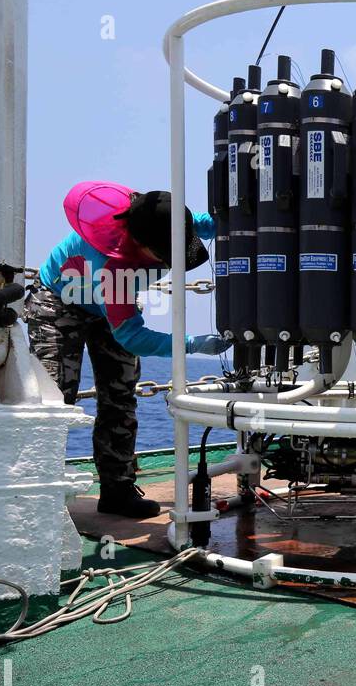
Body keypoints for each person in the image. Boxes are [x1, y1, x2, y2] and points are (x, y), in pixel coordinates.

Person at [26, 183, 229, 518]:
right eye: (167, 256)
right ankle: (39, 496)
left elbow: (217, 223)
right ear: (143, 246)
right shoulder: (115, 267)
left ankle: (117, 491)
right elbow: (131, 336)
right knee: (55, 399)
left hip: (107, 303)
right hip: (60, 302)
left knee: (120, 393)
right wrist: (191, 344)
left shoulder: (165, 220)